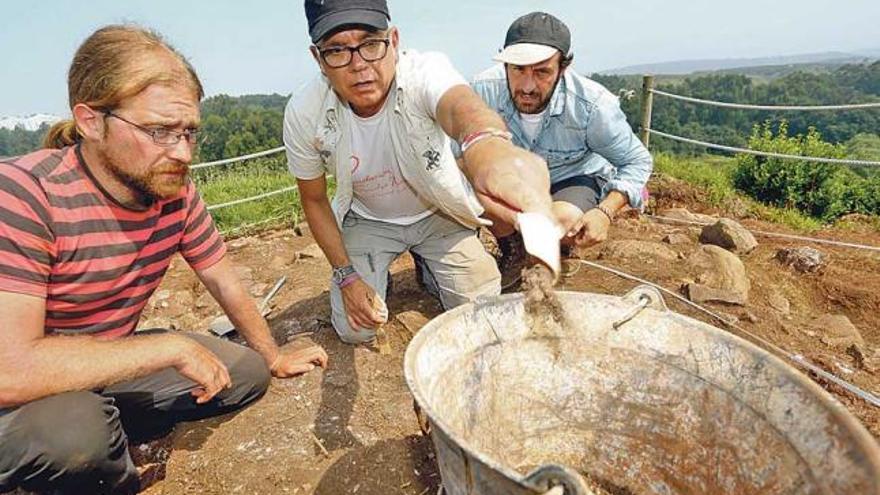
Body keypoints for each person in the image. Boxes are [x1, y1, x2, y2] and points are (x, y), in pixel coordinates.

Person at [0, 25, 328, 494]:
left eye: (189, 132)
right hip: (15, 388)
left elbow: (224, 281)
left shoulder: (174, 193)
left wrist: (274, 356)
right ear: (92, 122)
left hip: (98, 367)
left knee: (243, 374)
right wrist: (165, 348)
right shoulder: (24, 194)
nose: (181, 152)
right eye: (159, 131)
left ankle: (99, 429)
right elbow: (9, 369)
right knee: (74, 436)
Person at [285, 0, 556, 343]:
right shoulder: (304, 112)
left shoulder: (424, 72)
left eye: (371, 44)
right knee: (357, 330)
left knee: (486, 312)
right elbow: (314, 200)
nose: (358, 65)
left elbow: (460, 106)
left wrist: (487, 144)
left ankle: (430, 265)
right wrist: (346, 276)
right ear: (318, 59)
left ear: (394, 41)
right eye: (337, 50)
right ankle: (380, 271)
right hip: (368, 218)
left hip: (436, 211)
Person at [470, 12, 653, 286]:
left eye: (542, 71)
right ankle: (513, 248)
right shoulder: (482, 90)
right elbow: (455, 157)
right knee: (472, 185)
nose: (527, 86)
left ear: (563, 67)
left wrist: (605, 212)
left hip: (570, 178)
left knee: (562, 220)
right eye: (517, 69)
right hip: (512, 181)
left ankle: (556, 242)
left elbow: (637, 161)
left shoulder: (592, 105)